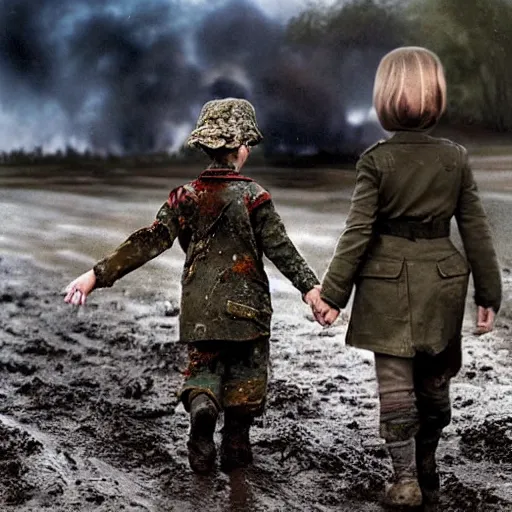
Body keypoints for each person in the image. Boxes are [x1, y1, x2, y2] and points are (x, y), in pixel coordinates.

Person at [64, 98, 323, 474]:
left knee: (203, 370)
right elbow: (282, 250)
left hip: (200, 310)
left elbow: (149, 241)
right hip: (248, 312)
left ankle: (202, 403)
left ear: (204, 146)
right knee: (246, 381)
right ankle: (235, 445)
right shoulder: (255, 198)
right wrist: (310, 288)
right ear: (242, 148)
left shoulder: (184, 197)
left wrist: (96, 275)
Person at [313, 47, 502, 508]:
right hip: (442, 282)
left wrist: (333, 295)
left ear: (384, 100)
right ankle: (427, 462)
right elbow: (474, 228)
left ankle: (405, 481)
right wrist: (489, 293)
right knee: (435, 383)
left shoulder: (376, 161)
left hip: (385, 286)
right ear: (435, 96)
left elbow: (357, 232)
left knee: (395, 386)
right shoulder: (454, 158)